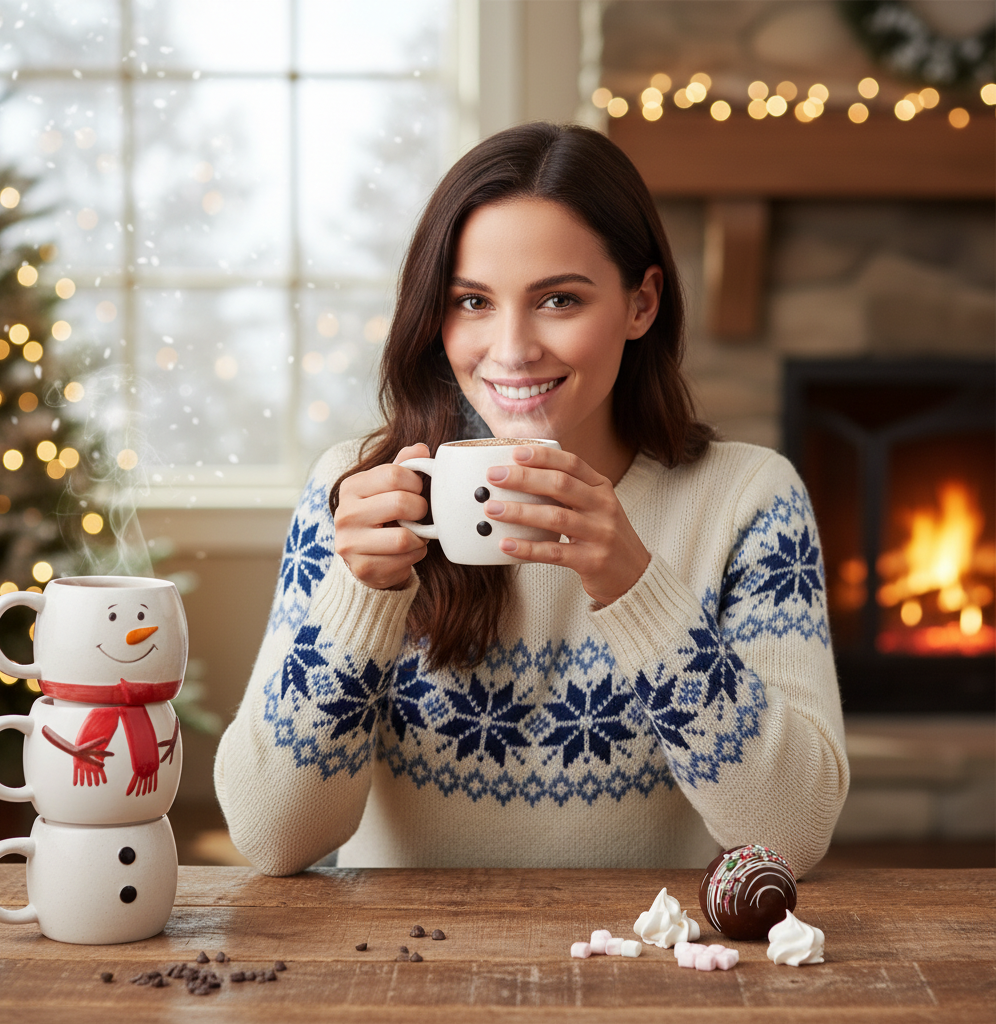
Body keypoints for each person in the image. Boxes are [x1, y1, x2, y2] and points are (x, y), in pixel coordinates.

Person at [215, 122, 848, 877]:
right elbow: (270, 837)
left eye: (557, 300)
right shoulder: (355, 490)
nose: (511, 349)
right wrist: (360, 597)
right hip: (396, 975)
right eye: (473, 302)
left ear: (641, 304)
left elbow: (792, 837)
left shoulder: (749, 500)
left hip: (649, 970)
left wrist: (638, 589)